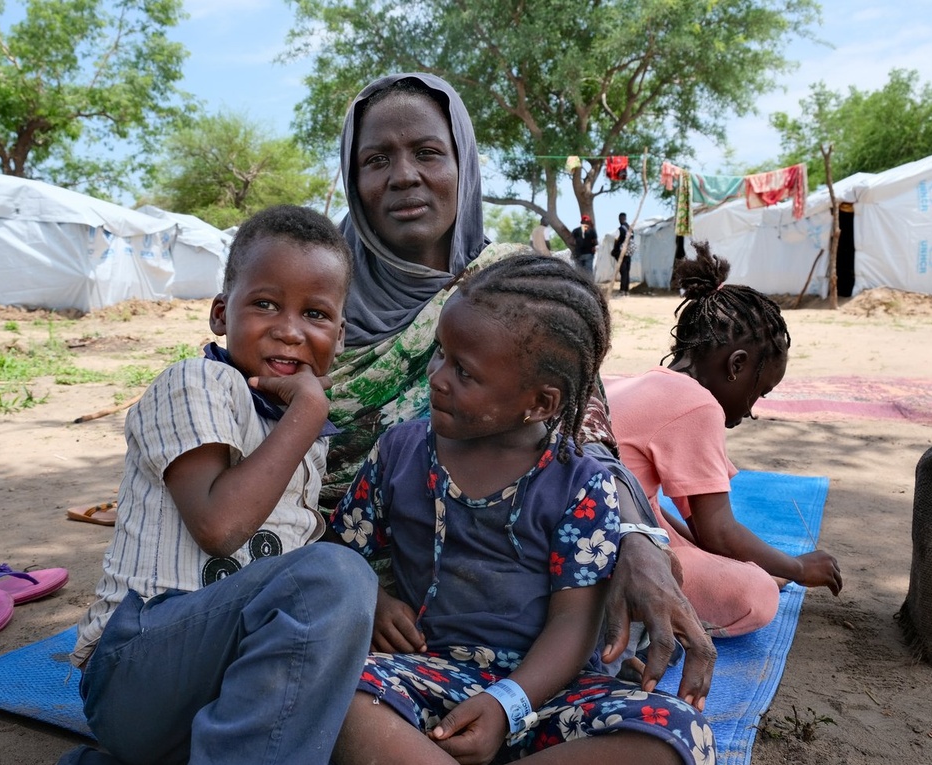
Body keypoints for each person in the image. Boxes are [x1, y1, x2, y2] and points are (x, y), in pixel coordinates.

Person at [327, 72, 715, 708]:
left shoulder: (515, 287)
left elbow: (583, 436)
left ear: (464, 163)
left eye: (428, 152)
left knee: (709, 596)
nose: (403, 175)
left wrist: (637, 539)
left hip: (538, 556)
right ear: (353, 177)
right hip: (358, 564)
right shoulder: (312, 296)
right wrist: (352, 587)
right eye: (376, 159)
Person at [330, 254, 712, 765]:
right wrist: (372, 597)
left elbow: (574, 625)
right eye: (440, 355)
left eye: (464, 372)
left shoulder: (581, 484)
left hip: (547, 692)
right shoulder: (398, 452)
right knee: (335, 690)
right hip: (422, 674)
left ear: (541, 403)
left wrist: (506, 704)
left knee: (676, 734)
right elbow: (338, 555)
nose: (438, 379)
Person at [58, 205, 377, 765]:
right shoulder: (196, 383)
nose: (290, 329)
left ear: (341, 336)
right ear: (219, 313)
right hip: (138, 666)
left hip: (218, 689)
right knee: (336, 575)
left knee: (346, 599)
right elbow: (220, 525)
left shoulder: (297, 426)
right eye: (265, 304)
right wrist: (308, 412)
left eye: (317, 313)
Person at [605, 243, 843, 637]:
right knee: (756, 595)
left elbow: (694, 525)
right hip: (609, 551)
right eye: (759, 391)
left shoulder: (644, 383)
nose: (752, 409)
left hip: (580, 527)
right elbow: (718, 531)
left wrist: (749, 559)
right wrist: (796, 569)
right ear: (736, 366)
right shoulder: (696, 404)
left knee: (661, 515)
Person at [612, 211, 634, 296]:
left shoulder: (620, 229)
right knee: (627, 272)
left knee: (623, 272)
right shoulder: (630, 228)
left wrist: (614, 251)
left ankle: (622, 290)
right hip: (629, 253)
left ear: (620, 219)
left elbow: (616, 241)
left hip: (621, 253)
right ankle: (626, 290)